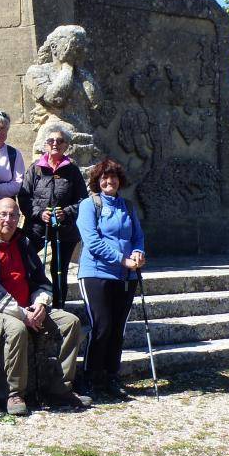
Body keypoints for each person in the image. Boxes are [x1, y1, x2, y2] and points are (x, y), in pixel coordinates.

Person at [0, 197, 90, 417]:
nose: (9, 219)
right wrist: (23, 314)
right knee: (17, 329)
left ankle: (61, 387)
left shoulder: (23, 243)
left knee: (71, 323)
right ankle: (15, 393)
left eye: (14, 215)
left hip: (29, 306)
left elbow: (40, 279)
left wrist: (40, 303)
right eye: (3, 214)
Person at [76, 158, 146, 399]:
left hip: (125, 275)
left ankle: (111, 376)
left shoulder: (127, 206)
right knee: (102, 326)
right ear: (97, 181)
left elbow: (137, 236)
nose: (109, 181)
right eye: (104, 178)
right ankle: (89, 377)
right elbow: (92, 242)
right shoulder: (89, 205)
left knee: (118, 328)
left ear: (119, 180)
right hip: (95, 273)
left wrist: (138, 253)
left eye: (113, 177)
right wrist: (122, 259)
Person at [17, 122, 87, 308]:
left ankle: (59, 306)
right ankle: (30, 301)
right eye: (51, 140)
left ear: (66, 145)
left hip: (65, 229)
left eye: (60, 141)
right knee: (27, 262)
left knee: (59, 270)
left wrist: (66, 213)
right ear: (45, 144)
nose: (55, 143)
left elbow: (82, 200)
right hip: (37, 227)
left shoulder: (72, 170)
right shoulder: (35, 169)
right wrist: (40, 214)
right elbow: (24, 197)